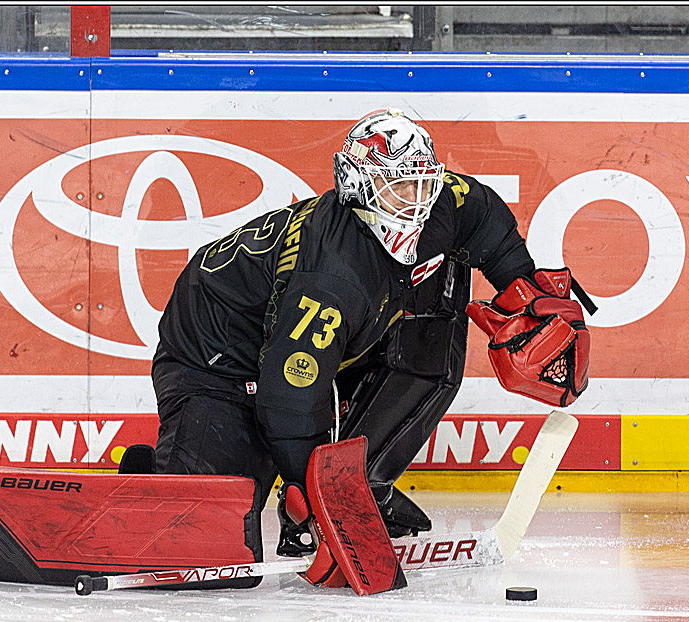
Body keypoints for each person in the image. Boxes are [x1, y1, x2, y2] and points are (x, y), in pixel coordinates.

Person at [139, 109, 592, 574]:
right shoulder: (332, 277)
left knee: (436, 299)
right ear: (358, 188)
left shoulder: (441, 205)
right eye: (399, 187)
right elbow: (289, 399)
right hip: (215, 358)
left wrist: (522, 291)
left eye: (422, 183)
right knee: (207, 549)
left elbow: (481, 215)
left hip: (314, 338)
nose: (415, 201)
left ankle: (363, 484)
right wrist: (313, 497)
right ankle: (154, 479)